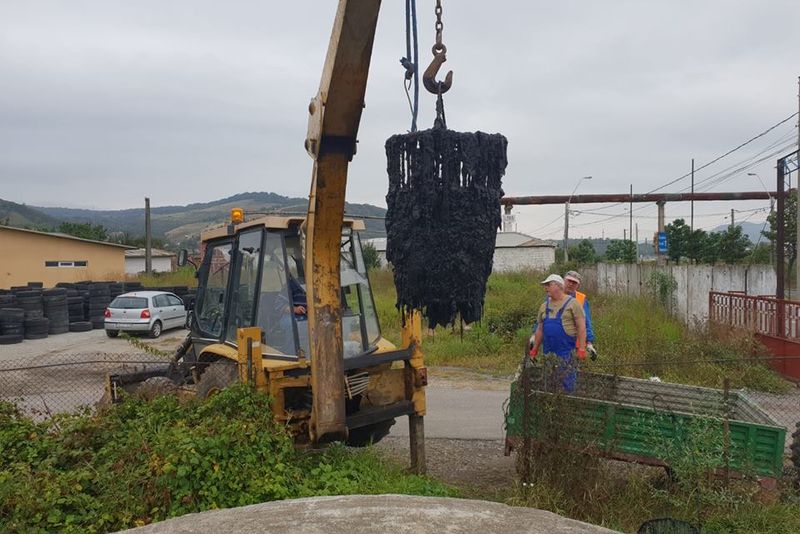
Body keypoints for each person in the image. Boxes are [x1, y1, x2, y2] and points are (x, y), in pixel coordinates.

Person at [528, 274, 587, 393]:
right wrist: (534, 350)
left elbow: (581, 327)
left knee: (567, 381)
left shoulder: (573, 304)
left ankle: (567, 401)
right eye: (545, 285)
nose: (546, 288)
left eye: (548, 285)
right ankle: (549, 401)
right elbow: (540, 330)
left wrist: (582, 348)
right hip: (548, 351)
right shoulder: (544, 306)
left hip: (566, 351)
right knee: (548, 380)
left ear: (558, 286)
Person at [563, 270, 597, 360]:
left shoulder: (581, 299)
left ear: (578, 285)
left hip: (574, 344)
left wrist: (589, 343)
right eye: (569, 281)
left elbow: (587, 322)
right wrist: (535, 336)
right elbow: (542, 319)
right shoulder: (553, 295)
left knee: (570, 367)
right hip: (554, 342)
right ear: (563, 280)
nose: (571, 284)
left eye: (574, 282)